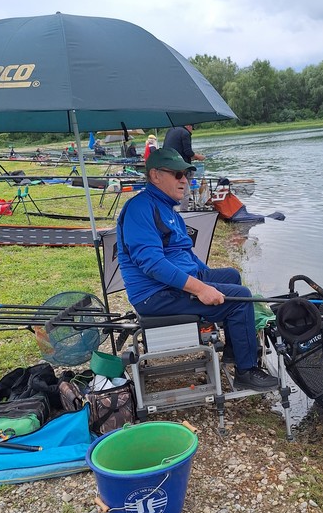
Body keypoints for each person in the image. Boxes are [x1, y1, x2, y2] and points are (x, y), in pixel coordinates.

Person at [116, 147, 277, 392]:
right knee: (241, 297)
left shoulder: (167, 209)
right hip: (154, 294)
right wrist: (201, 288)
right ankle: (246, 372)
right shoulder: (140, 209)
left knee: (232, 277)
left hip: (172, 282)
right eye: (177, 174)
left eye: (187, 175)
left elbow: (186, 254)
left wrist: (206, 278)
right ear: (155, 175)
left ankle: (235, 350)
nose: (185, 180)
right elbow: (152, 264)